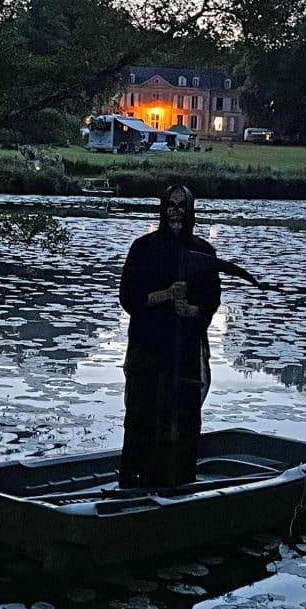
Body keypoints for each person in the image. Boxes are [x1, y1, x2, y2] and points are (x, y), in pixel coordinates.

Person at [118, 184, 221, 488]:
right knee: (144, 413)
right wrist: (164, 295)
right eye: (170, 205)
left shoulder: (204, 252)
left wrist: (194, 311)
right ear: (162, 209)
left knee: (183, 415)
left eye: (181, 206)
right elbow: (128, 297)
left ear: (190, 210)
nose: (175, 211)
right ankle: (136, 481)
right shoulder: (143, 248)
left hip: (185, 350)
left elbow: (212, 299)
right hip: (149, 347)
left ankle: (179, 481)